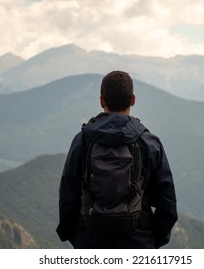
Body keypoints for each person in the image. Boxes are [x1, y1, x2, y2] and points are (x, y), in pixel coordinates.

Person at [56, 70, 178, 248]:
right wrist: (152, 240)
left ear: (101, 101)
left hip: (90, 241)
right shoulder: (149, 143)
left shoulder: (82, 141)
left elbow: (68, 196)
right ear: (133, 100)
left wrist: (77, 237)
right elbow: (167, 204)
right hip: (139, 243)